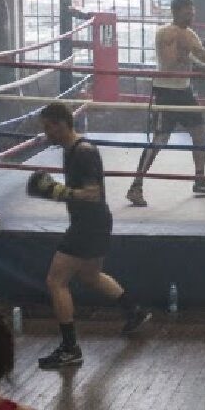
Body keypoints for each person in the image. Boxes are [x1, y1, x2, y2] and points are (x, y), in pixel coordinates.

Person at [31, 102, 151, 370]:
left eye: (48, 127)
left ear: (61, 124)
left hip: (88, 225)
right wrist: (61, 193)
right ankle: (134, 310)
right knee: (89, 275)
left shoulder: (83, 152)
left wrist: (59, 192)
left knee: (56, 281)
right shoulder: (72, 149)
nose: (46, 134)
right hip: (94, 223)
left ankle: (70, 348)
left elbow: (92, 192)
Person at [126, 0, 205, 207]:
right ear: (176, 12)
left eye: (193, 12)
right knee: (160, 140)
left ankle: (199, 180)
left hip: (184, 91)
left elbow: (204, 58)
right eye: (187, 12)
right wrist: (194, 49)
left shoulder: (190, 34)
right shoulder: (165, 33)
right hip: (166, 91)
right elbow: (170, 64)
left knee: (199, 133)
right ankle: (136, 186)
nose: (191, 15)